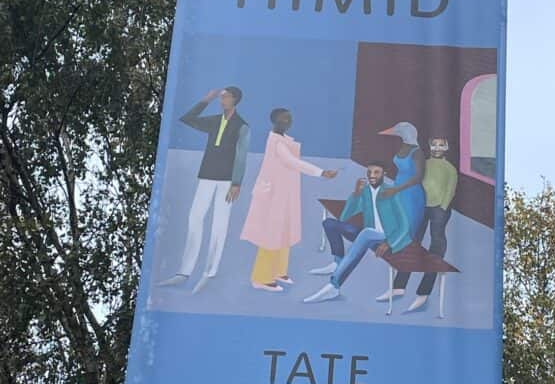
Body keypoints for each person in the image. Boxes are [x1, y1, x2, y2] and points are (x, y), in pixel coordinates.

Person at [158, 86, 249, 294]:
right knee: (195, 219)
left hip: (227, 180)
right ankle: (184, 272)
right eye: (221, 96)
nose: (221, 99)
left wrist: (237, 182)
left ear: (234, 99)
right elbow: (188, 119)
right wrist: (205, 100)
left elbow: (242, 155)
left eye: (224, 96)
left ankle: (209, 273)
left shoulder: (242, 126)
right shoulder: (214, 121)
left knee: (219, 225)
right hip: (206, 175)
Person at [241, 108, 336, 292]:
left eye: (288, 119)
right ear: (275, 122)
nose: (287, 122)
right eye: (283, 119)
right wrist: (321, 172)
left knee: (284, 232)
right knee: (270, 235)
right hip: (273, 196)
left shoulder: (284, 140)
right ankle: (261, 278)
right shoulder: (276, 142)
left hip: (284, 195)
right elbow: (293, 163)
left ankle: (278, 271)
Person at [303, 162, 411, 303]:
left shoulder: (391, 192)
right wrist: (356, 194)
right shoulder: (365, 191)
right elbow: (345, 216)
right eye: (369, 172)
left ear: (384, 174)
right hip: (369, 233)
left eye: (376, 172)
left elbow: (404, 225)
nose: (372, 175)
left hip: (387, 237)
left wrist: (388, 243)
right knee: (330, 224)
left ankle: (334, 286)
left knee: (366, 233)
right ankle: (338, 262)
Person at [394, 136, 458, 313]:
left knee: (436, 244)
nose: (437, 148)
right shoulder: (425, 164)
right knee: (413, 241)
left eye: (441, 145)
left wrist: (443, 207)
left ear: (446, 147)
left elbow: (450, 189)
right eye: (434, 145)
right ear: (429, 146)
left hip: (439, 209)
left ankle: (424, 290)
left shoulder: (449, 169)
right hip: (421, 206)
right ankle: (399, 284)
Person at [375, 121, 426, 302]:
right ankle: (398, 283)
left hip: (411, 196)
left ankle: (398, 286)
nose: (394, 131)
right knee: (397, 229)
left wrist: (397, 189)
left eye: (398, 129)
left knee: (408, 236)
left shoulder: (417, 152)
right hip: (398, 192)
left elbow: (418, 177)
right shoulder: (404, 147)